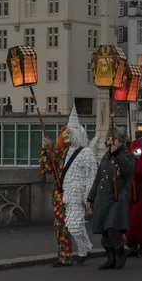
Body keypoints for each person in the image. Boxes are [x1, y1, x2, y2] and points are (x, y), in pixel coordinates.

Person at [39, 105, 98, 267]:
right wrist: (46, 149)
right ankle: (65, 256)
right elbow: (47, 168)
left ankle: (84, 248)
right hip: (60, 195)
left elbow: (91, 176)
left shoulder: (86, 152)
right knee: (61, 226)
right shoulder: (62, 152)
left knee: (75, 225)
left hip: (76, 195)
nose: (66, 137)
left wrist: (89, 197)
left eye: (69, 134)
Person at [87, 127, 135, 270]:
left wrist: (117, 154)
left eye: (115, 139)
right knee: (104, 229)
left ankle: (120, 252)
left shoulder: (128, 155)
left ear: (121, 141)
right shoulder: (106, 156)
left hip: (117, 196)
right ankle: (110, 257)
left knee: (112, 226)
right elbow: (99, 178)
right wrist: (91, 197)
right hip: (103, 196)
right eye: (111, 139)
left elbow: (128, 170)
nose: (111, 141)